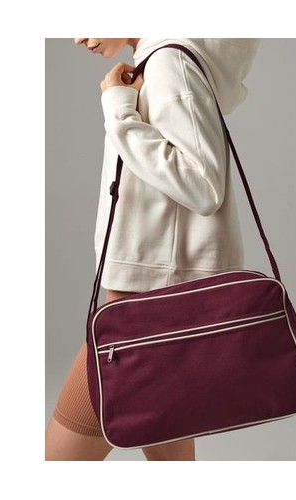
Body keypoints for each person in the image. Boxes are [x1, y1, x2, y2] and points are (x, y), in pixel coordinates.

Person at [45, 38, 261, 461]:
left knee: (61, 458)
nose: (77, 36)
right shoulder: (159, 64)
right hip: (153, 300)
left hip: (144, 304)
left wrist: (119, 110)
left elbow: (204, 186)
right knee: (170, 454)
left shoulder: (169, 65)